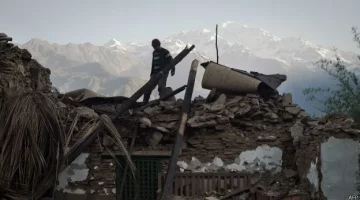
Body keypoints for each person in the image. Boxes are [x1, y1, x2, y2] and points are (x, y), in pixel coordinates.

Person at [143, 39, 175, 104]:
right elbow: (153, 63)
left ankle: (162, 102)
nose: (154, 48)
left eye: (155, 46)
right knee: (148, 88)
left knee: (161, 86)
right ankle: (144, 102)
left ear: (159, 45)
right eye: (153, 47)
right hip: (155, 73)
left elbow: (171, 60)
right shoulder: (154, 53)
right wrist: (152, 73)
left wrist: (173, 69)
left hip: (163, 73)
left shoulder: (165, 52)